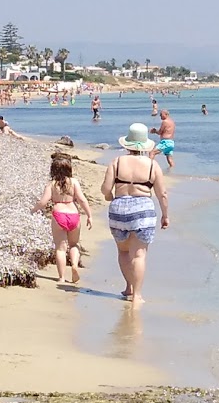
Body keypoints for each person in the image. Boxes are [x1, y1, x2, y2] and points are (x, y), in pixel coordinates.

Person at [101, 123, 169, 304]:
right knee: (139, 255)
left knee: (123, 252)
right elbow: (162, 194)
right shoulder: (152, 166)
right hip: (142, 210)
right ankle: (137, 295)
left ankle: (129, 287)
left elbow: (106, 189)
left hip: (119, 209)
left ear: (127, 144)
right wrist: (165, 215)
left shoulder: (116, 162)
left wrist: (110, 196)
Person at [33, 153, 92, 284]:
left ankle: (61, 277)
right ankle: (75, 265)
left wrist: (33, 210)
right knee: (74, 244)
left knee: (60, 248)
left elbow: (43, 201)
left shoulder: (51, 184)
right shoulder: (74, 182)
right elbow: (82, 199)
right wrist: (89, 215)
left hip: (59, 215)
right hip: (74, 214)